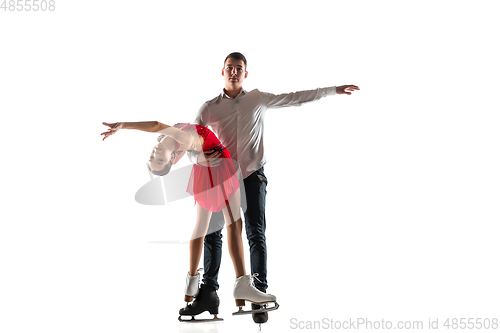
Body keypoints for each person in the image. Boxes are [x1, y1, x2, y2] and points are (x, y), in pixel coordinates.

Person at [193, 52, 360, 324]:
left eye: (239, 68)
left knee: (255, 232)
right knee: (214, 234)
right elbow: (189, 140)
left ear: (245, 74)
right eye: (229, 68)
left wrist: (332, 90)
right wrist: (199, 158)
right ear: (221, 72)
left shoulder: (257, 99)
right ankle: (209, 291)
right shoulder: (208, 108)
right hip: (222, 179)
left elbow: (295, 97)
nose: (234, 72)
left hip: (251, 176)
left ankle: (259, 291)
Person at [100, 121, 278, 321]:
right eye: (159, 159)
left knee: (204, 228)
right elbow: (157, 125)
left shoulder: (170, 143)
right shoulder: (179, 140)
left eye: (153, 157)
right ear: (172, 160)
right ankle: (241, 286)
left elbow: (174, 138)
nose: (155, 153)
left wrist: (199, 157)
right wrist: (123, 126)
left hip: (204, 172)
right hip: (222, 167)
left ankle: (191, 284)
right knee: (233, 225)